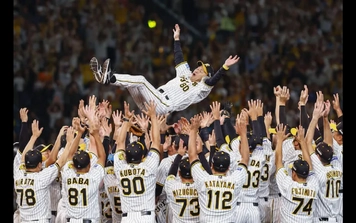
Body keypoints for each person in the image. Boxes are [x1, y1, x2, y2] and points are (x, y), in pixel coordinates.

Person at [90, 24, 240, 115]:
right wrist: (176, 39)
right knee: (133, 83)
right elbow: (179, 59)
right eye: (199, 67)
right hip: (150, 102)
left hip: (163, 105)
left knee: (141, 80)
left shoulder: (202, 89)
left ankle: (108, 78)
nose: (197, 69)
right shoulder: (186, 74)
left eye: (201, 71)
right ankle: (104, 76)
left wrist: (224, 67)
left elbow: (213, 80)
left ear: (204, 77)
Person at [187, 111, 250, 223]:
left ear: (211, 165)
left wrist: (193, 131)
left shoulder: (204, 179)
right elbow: (245, 159)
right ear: (228, 168)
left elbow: (192, 155)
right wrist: (243, 134)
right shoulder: (234, 180)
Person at [113, 100, 161, 223]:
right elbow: (156, 142)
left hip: (127, 218)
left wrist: (126, 121)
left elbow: (119, 143)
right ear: (142, 155)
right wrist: (153, 117)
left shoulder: (120, 167)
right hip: (146, 217)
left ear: (126, 156)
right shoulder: (148, 166)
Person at [13, 119, 70, 223]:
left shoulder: (18, 174)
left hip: (24, 220)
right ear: (39, 164)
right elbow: (59, 161)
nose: (47, 153)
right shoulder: (41, 177)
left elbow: (22, 159)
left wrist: (33, 137)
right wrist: (69, 142)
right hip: (40, 220)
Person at [304, 100, 342, 222]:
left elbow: (307, 142)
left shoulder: (320, 170)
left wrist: (315, 118)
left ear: (318, 157)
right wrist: (325, 118)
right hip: (336, 218)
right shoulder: (337, 167)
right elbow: (329, 143)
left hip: (322, 219)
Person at [274, 123, 319, 223]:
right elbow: (310, 167)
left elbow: (278, 162)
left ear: (293, 173)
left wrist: (280, 140)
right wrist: (302, 142)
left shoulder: (288, 185)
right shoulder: (313, 185)